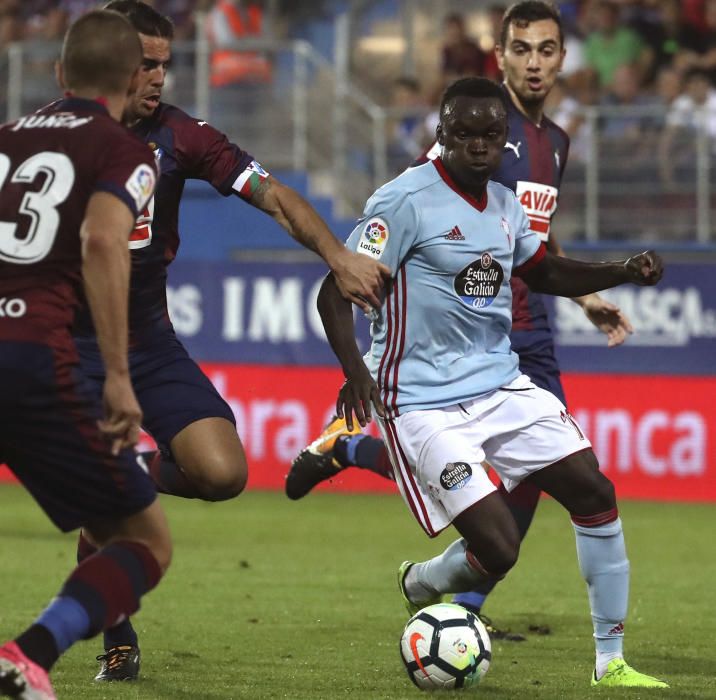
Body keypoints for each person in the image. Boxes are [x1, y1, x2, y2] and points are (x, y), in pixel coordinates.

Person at [286, 0, 632, 639]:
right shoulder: (460, 141)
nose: (534, 63)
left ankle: (451, 597)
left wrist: (591, 293)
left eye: (547, 49)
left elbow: (534, 246)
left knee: (545, 489)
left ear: (562, 56)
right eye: (521, 49)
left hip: (522, 338)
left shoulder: (551, 142)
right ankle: (457, 609)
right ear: (499, 57)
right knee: (500, 509)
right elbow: (392, 246)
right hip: (442, 359)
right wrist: (357, 362)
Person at [70, 0, 389, 683]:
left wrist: (336, 255)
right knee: (107, 497)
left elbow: (272, 194)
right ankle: (117, 641)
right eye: (143, 64)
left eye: (166, 63)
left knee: (223, 475)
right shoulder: (64, 136)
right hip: (71, 342)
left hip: (150, 342)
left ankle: (113, 483)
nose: (157, 77)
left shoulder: (182, 137)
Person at [317, 75, 668, 690]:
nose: (478, 146)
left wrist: (621, 270)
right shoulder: (403, 201)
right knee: (499, 550)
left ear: (503, 140)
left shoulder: (506, 204)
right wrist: (356, 373)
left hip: (501, 386)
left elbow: (545, 268)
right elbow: (332, 292)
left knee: (594, 490)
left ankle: (611, 663)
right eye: (464, 134)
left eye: (489, 135)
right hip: (421, 402)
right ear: (442, 134)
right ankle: (422, 583)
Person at [0, 10, 168, 700]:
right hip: (30, 360)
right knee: (146, 541)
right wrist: (120, 376)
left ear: (59, 73)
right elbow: (104, 241)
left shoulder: (7, 139)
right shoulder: (124, 149)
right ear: (134, 79)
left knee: (104, 521)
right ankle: (29, 655)